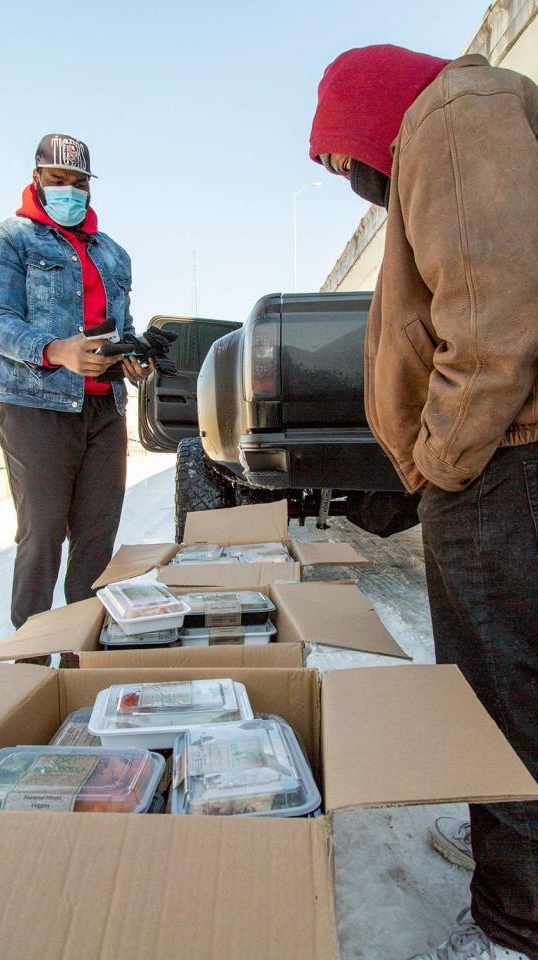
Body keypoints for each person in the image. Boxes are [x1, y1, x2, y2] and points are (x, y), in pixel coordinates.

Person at [310, 45, 538, 960]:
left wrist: (441, 458)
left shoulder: (451, 116)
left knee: (501, 696)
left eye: (336, 157)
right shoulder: (468, 115)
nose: (343, 178)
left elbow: (491, 319)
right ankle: (509, 852)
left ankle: (514, 920)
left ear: (369, 115)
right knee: (503, 689)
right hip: (499, 457)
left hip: (501, 460)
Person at [0, 133, 152, 653]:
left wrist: (133, 356)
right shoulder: (8, 241)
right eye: (58, 181)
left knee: (97, 536)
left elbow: (120, 323)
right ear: (37, 179)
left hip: (103, 407)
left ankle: (82, 654)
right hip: (35, 406)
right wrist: (56, 350)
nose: (69, 192)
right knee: (43, 533)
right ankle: (31, 656)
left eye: (79, 184)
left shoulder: (113, 253)